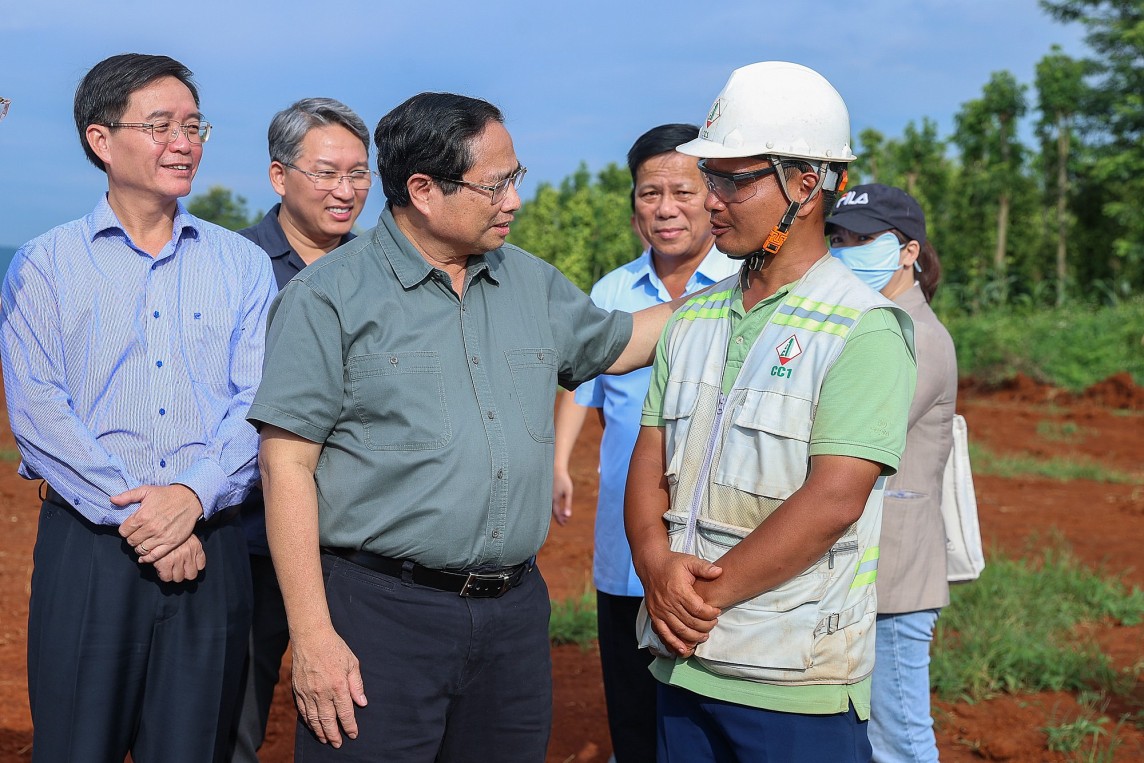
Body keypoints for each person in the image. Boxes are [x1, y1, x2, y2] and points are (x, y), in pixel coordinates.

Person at [246, 91, 685, 762]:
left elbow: (623, 342)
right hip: (380, 618)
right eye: (495, 184)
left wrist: (752, 284)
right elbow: (286, 467)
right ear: (423, 190)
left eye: (515, 178)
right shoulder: (328, 297)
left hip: (512, 618)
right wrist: (311, 637)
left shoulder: (530, 283)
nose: (514, 200)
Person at [625, 61, 917, 762]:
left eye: (734, 181)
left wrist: (696, 599)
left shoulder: (863, 328)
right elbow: (649, 459)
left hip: (790, 678)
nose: (710, 200)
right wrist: (655, 565)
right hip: (682, 662)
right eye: (710, 178)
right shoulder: (692, 318)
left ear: (806, 186)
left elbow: (834, 500)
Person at [0, 53, 276, 762]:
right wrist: (149, 519)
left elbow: (258, 401)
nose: (184, 143)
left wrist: (192, 495)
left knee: (196, 748)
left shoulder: (241, 264)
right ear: (101, 139)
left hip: (211, 544)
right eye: (160, 126)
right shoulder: (43, 264)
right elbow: (39, 414)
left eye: (193, 126)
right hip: (89, 548)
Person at [551, 122, 738, 762]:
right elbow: (582, 387)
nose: (665, 209)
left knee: (710, 713)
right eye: (649, 193)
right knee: (633, 712)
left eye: (682, 192)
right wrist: (559, 462)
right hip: (626, 535)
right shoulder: (613, 292)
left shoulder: (750, 285)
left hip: (721, 539)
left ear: (714, 195)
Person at [230, 97, 372, 762]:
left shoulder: (384, 270)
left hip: (360, 550)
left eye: (358, 174)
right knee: (233, 716)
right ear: (279, 176)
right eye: (326, 173)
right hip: (250, 539)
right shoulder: (234, 267)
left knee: (359, 718)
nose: (345, 191)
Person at [827, 183, 956, 763]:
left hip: (898, 581)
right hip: (869, 569)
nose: (846, 250)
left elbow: (857, 434)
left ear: (908, 252)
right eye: (838, 238)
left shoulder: (919, 337)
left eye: (864, 239)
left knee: (900, 741)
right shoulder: (875, 322)